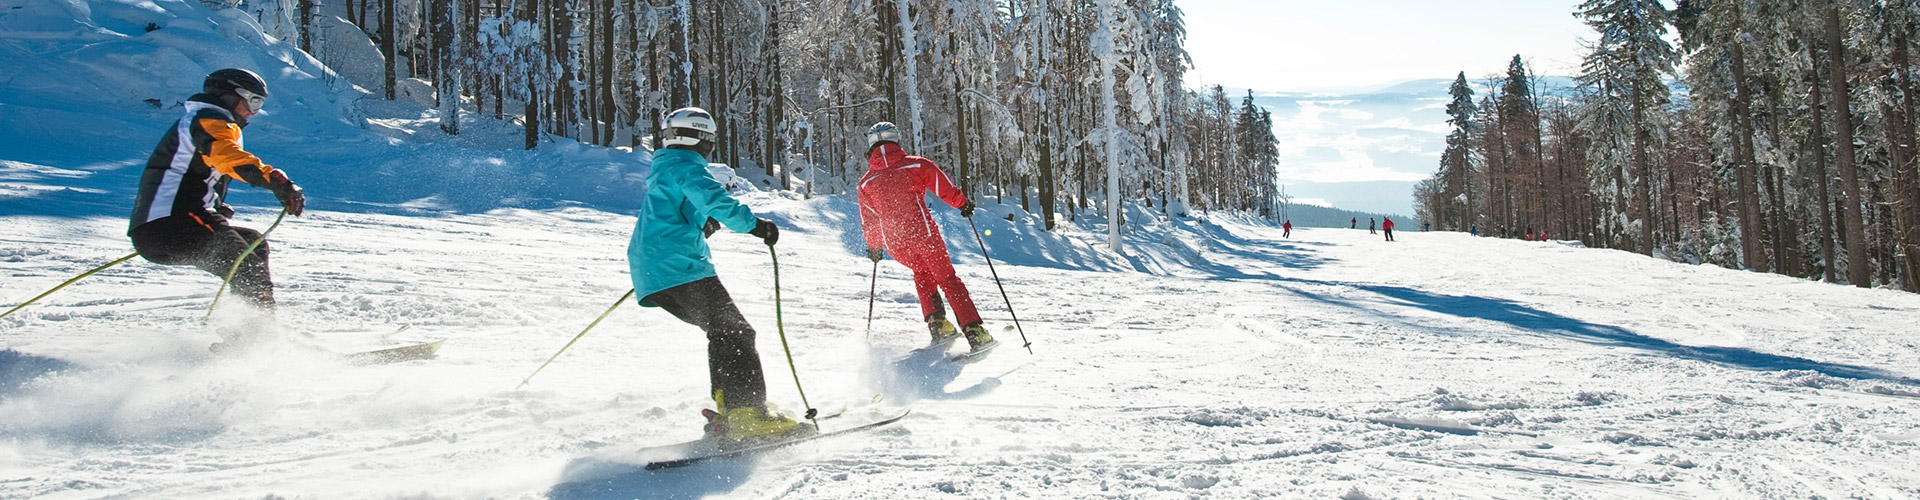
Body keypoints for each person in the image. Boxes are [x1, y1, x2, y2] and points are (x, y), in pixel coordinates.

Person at [629, 107, 804, 444]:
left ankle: (731, 406)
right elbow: (715, 200)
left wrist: (700, 224)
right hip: (678, 266)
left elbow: (676, 210)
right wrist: (756, 226)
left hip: (655, 268)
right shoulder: (687, 168)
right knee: (736, 332)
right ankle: (747, 414)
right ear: (704, 139)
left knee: (722, 331)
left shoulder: (666, 168)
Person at [128, 68, 305, 348]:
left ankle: (247, 333)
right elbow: (228, 158)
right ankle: (258, 341)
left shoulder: (202, 123)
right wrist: (275, 180)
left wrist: (217, 207)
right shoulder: (209, 120)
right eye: (253, 102)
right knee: (243, 265)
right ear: (230, 95)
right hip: (172, 225)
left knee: (251, 244)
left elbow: (195, 174)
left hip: (163, 229)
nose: (254, 112)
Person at [858, 121, 997, 354]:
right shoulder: (915, 165)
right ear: (896, 140)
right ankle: (974, 331)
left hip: (896, 244)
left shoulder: (866, 182)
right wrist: (962, 204)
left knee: (922, 273)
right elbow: (943, 186)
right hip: (923, 234)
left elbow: (869, 219)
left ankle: (938, 325)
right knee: (948, 279)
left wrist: (874, 246)